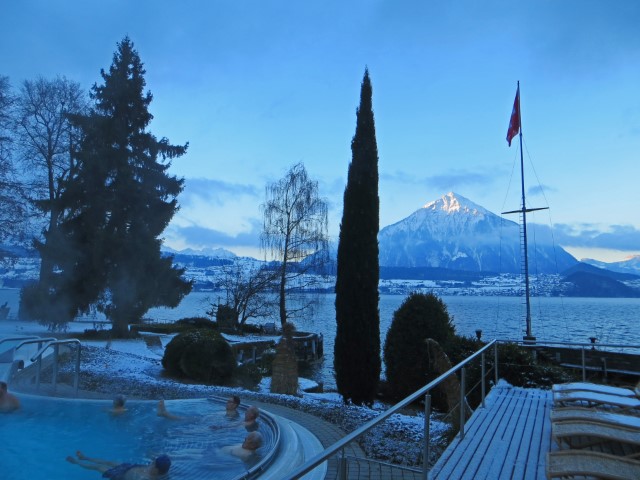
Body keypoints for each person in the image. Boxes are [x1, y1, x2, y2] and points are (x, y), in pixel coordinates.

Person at [66, 450, 171, 479]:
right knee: (109, 462)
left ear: (156, 469)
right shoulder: (162, 471)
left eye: (153, 463)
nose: (152, 463)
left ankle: (76, 462)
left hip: (120, 476)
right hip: (130, 467)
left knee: (98, 467)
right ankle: (85, 457)